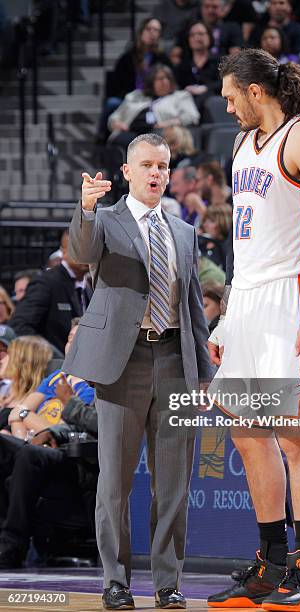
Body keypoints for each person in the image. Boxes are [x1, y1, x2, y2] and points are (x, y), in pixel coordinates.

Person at [207, 48, 300, 611]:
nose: (228, 104)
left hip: (293, 294)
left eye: (231, 95)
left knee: (294, 435)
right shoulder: (241, 143)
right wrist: (230, 310)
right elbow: (247, 238)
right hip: (249, 298)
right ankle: (271, 561)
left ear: (255, 91)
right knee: (246, 432)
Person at [63, 133, 213, 611]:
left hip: (175, 362)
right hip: (121, 364)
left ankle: (168, 583)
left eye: (163, 166)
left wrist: (204, 373)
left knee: (174, 485)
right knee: (114, 483)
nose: (156, 173)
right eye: (146, 164)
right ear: (126, 172)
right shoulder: (105, 221)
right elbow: (83, 251)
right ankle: (116, 581)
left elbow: (194, 308)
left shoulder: (185, 232)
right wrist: (85, 208)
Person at [0, 395, 98, 569]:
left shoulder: (119, 393)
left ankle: (12, 545)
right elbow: (77, 426)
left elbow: (99, 423)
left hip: (83, 464)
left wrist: (68, 401)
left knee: (30, 454)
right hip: (62, 446)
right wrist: (52, 433)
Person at [8, 231, 91, 356]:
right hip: (52, 369)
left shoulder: (89, 285)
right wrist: (51, 356)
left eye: (90, 249)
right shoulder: (47, 282)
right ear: (63, 251)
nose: (86, 255)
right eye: (79, 249)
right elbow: (19, 325)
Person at [107, 64, 200, 147]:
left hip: (160, 133)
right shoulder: (135, 96)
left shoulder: (180, 96)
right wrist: (117, 124)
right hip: (131, 132)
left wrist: (168, 123)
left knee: (149, 143)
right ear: (151, 82)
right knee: (119, 139)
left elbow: (192, 116)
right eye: (160, 79)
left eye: (168, 78)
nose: (165, 81)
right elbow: (114, 117)